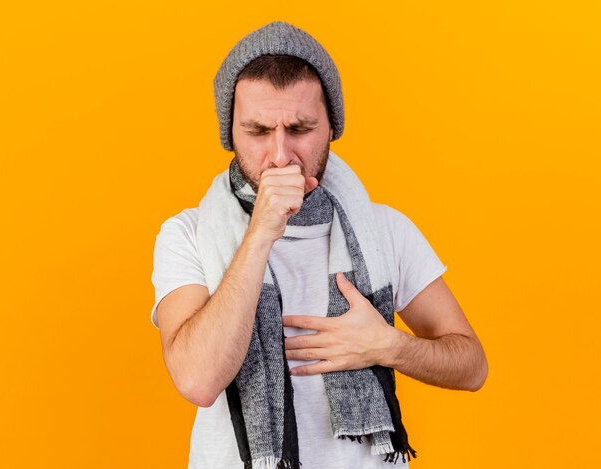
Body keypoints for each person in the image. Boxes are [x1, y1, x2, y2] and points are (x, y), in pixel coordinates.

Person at [150, 21, 488, 469]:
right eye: (257, 132)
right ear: (229, 134)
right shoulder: (188, 235)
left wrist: (387, 345)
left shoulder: (382, 230)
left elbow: (472, 366)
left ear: (332, 127)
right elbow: (197, 379)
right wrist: (261, 235)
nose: (280, 155)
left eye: (300, 128)